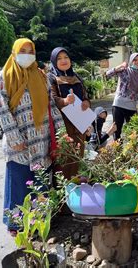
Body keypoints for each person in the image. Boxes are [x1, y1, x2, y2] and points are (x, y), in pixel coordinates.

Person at [0, 38, 63, 233]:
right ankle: (16, 225)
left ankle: (40, 222)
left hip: (42, 141)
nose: (26, 54)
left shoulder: (41, 76)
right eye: (22, 50)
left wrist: (61, 134)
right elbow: (2, 110)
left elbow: (51, 108)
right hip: (20, 145)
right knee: (19, 184)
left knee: (41, 183)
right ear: (14, 52)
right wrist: (15, 139)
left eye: (30, 50)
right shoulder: (3, 77)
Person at [49, 47, 91, 179]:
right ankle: (64, 191)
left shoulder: (76, 76)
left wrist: (86, 103)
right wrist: (65, 101)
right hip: (63, 125)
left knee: (79, 156)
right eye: (59, 58)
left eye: (66, 57)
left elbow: (85, 95)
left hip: (80, 123)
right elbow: (52, 99)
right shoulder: (51, 78)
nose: (63, 60)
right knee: (65, 158)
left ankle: (77, 188)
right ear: (54, 61)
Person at [106, 53, 138, 140]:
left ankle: (130, 152)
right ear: (131, 61)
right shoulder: (125, 70)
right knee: (117, 130)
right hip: (119, 105)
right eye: (135, 60)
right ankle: (117, 151)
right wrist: (119, 66)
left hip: (131, 108)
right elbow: (108, 74)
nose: (137, 62)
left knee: (133, 132)